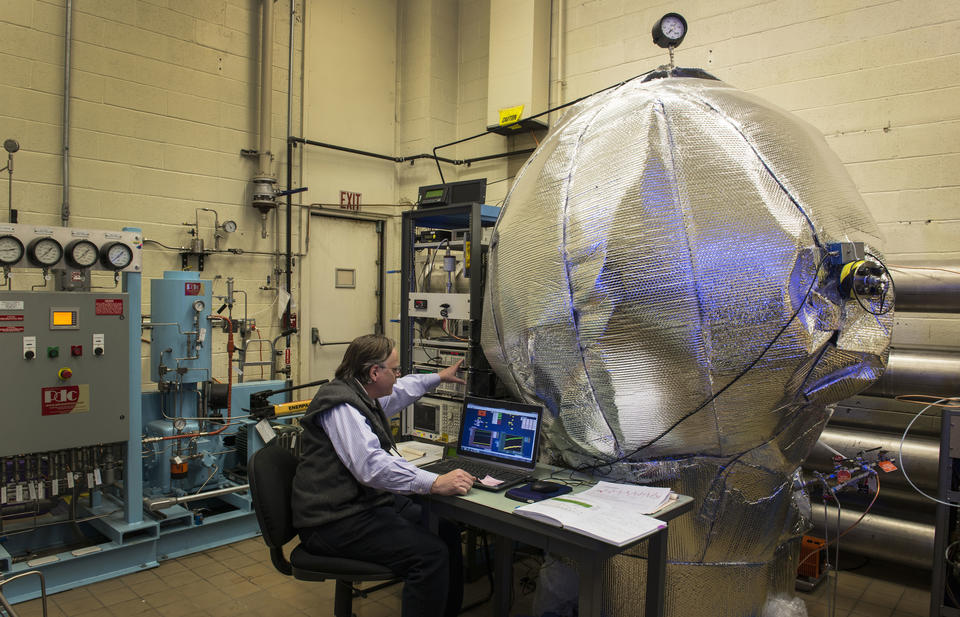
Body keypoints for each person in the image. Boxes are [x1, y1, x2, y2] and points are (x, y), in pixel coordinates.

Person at [291, 334, 475, 617]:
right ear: (374, 372)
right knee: (429, 556)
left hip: (357, 505)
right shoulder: (342, 406)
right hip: (332, 521)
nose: (399, 375)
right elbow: (371, 466)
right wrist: (434, 482)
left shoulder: (361, 393)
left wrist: (437, 377)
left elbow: (401, 390)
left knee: (447, 532)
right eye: (395, 369)